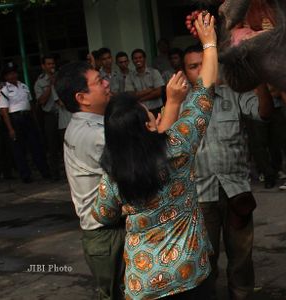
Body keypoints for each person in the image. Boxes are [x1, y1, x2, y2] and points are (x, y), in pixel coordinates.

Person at [92, 12, 218, 300]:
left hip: (143, 282)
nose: (157, 115)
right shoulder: (177, 147)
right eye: (152, 115)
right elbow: (205, 91)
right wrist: (210, 42)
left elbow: (101, 213)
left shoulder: (114, 173)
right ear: (149, 126)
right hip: (190, 273)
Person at [182, 45, 273, 299]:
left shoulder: (233, 94)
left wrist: (260, 81)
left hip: (236, 191)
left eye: (204, 63)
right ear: (185, 72)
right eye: (193, 66)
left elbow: (264, 113)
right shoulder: (180, 104)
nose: (200, 70)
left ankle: (241, 294)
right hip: (200, 196)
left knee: (242, 256)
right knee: (204, 259)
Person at [55, 61, 125, 299]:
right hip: (109, 234)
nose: (107, 83)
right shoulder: (96, 135)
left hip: (100, 235)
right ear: (82, 97)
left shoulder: (80, 125)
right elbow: (140, 170)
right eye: (99, 81)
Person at [0, 62, 50, 183]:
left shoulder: (24, 86)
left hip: (27, 117)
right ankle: (25, 175)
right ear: (5, 77)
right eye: (9, 74)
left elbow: (30, 104)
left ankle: (44, 171)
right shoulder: (4, 90)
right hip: (15, 119)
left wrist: (35, 120)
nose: (13, 76)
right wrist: (10, 129)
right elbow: (4, 111)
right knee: (19, 149)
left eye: (14, 73)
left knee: (36, 145)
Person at [35, 54, 61, 180]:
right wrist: (50, 86)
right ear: (43, 66)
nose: (52, 66)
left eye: (53, 64)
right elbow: (41, 101)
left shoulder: (60, 77)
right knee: (52, 145)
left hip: (62, 114)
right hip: (50, 115)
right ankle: (55, 172)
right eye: (49, 64)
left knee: (65, 144)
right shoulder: (40, 82)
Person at [125, 48, 165, 117]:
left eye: (140, 57)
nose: (138, 60)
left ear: (144, 59)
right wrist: (149, 90)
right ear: (132, 61)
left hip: (156, 109)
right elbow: (131, 95)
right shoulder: (129, 76)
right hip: (140, 111)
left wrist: (141, 99)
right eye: (135, 58)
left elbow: (158, 92)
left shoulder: (154, 72)